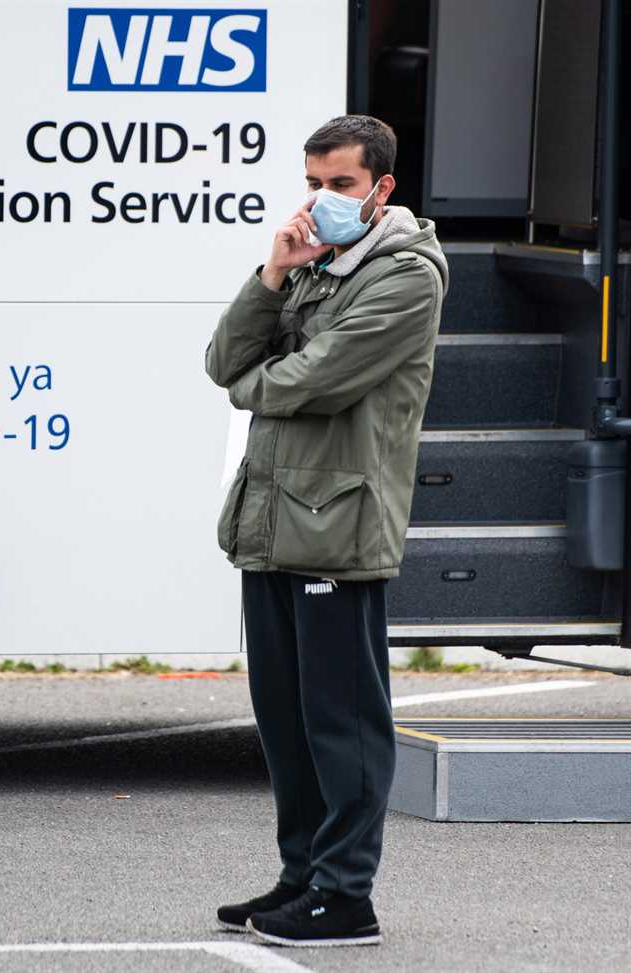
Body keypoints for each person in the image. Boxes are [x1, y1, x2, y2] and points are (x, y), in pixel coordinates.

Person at [205, 116, 447, 947]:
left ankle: (346, 896)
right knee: (285, 719)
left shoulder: (407, 276)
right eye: (312, 182)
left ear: (382, 189)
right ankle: (301, 876)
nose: (320, 200)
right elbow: (220, 357)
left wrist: (253, 381)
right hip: (275, 521)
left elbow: (309, 379)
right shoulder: (314, 266)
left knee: (342, 724)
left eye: (339, 185)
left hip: (337, 531)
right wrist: (274, 272)